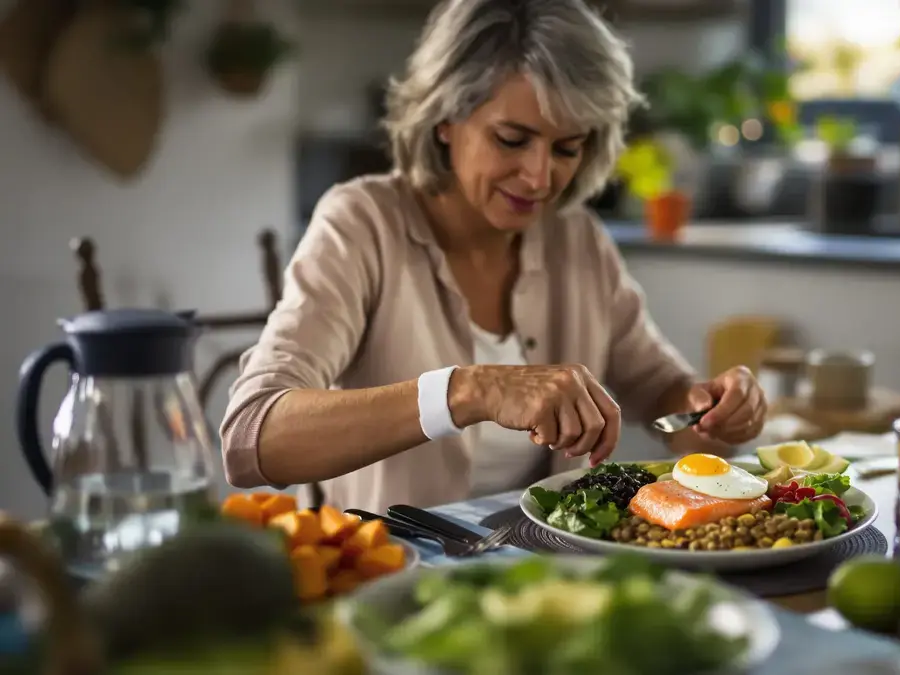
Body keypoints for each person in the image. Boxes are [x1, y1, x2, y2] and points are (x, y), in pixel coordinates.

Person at [220, 0, 768, 513]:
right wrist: (469, 390)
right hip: (393, 580)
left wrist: (715, 410)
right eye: (511, 139)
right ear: (445, 119)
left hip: (550, 584)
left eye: (567, 148)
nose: (539, 177)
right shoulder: (361, 225)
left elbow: (662, 391)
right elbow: (252, 437)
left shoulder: (576, 239)